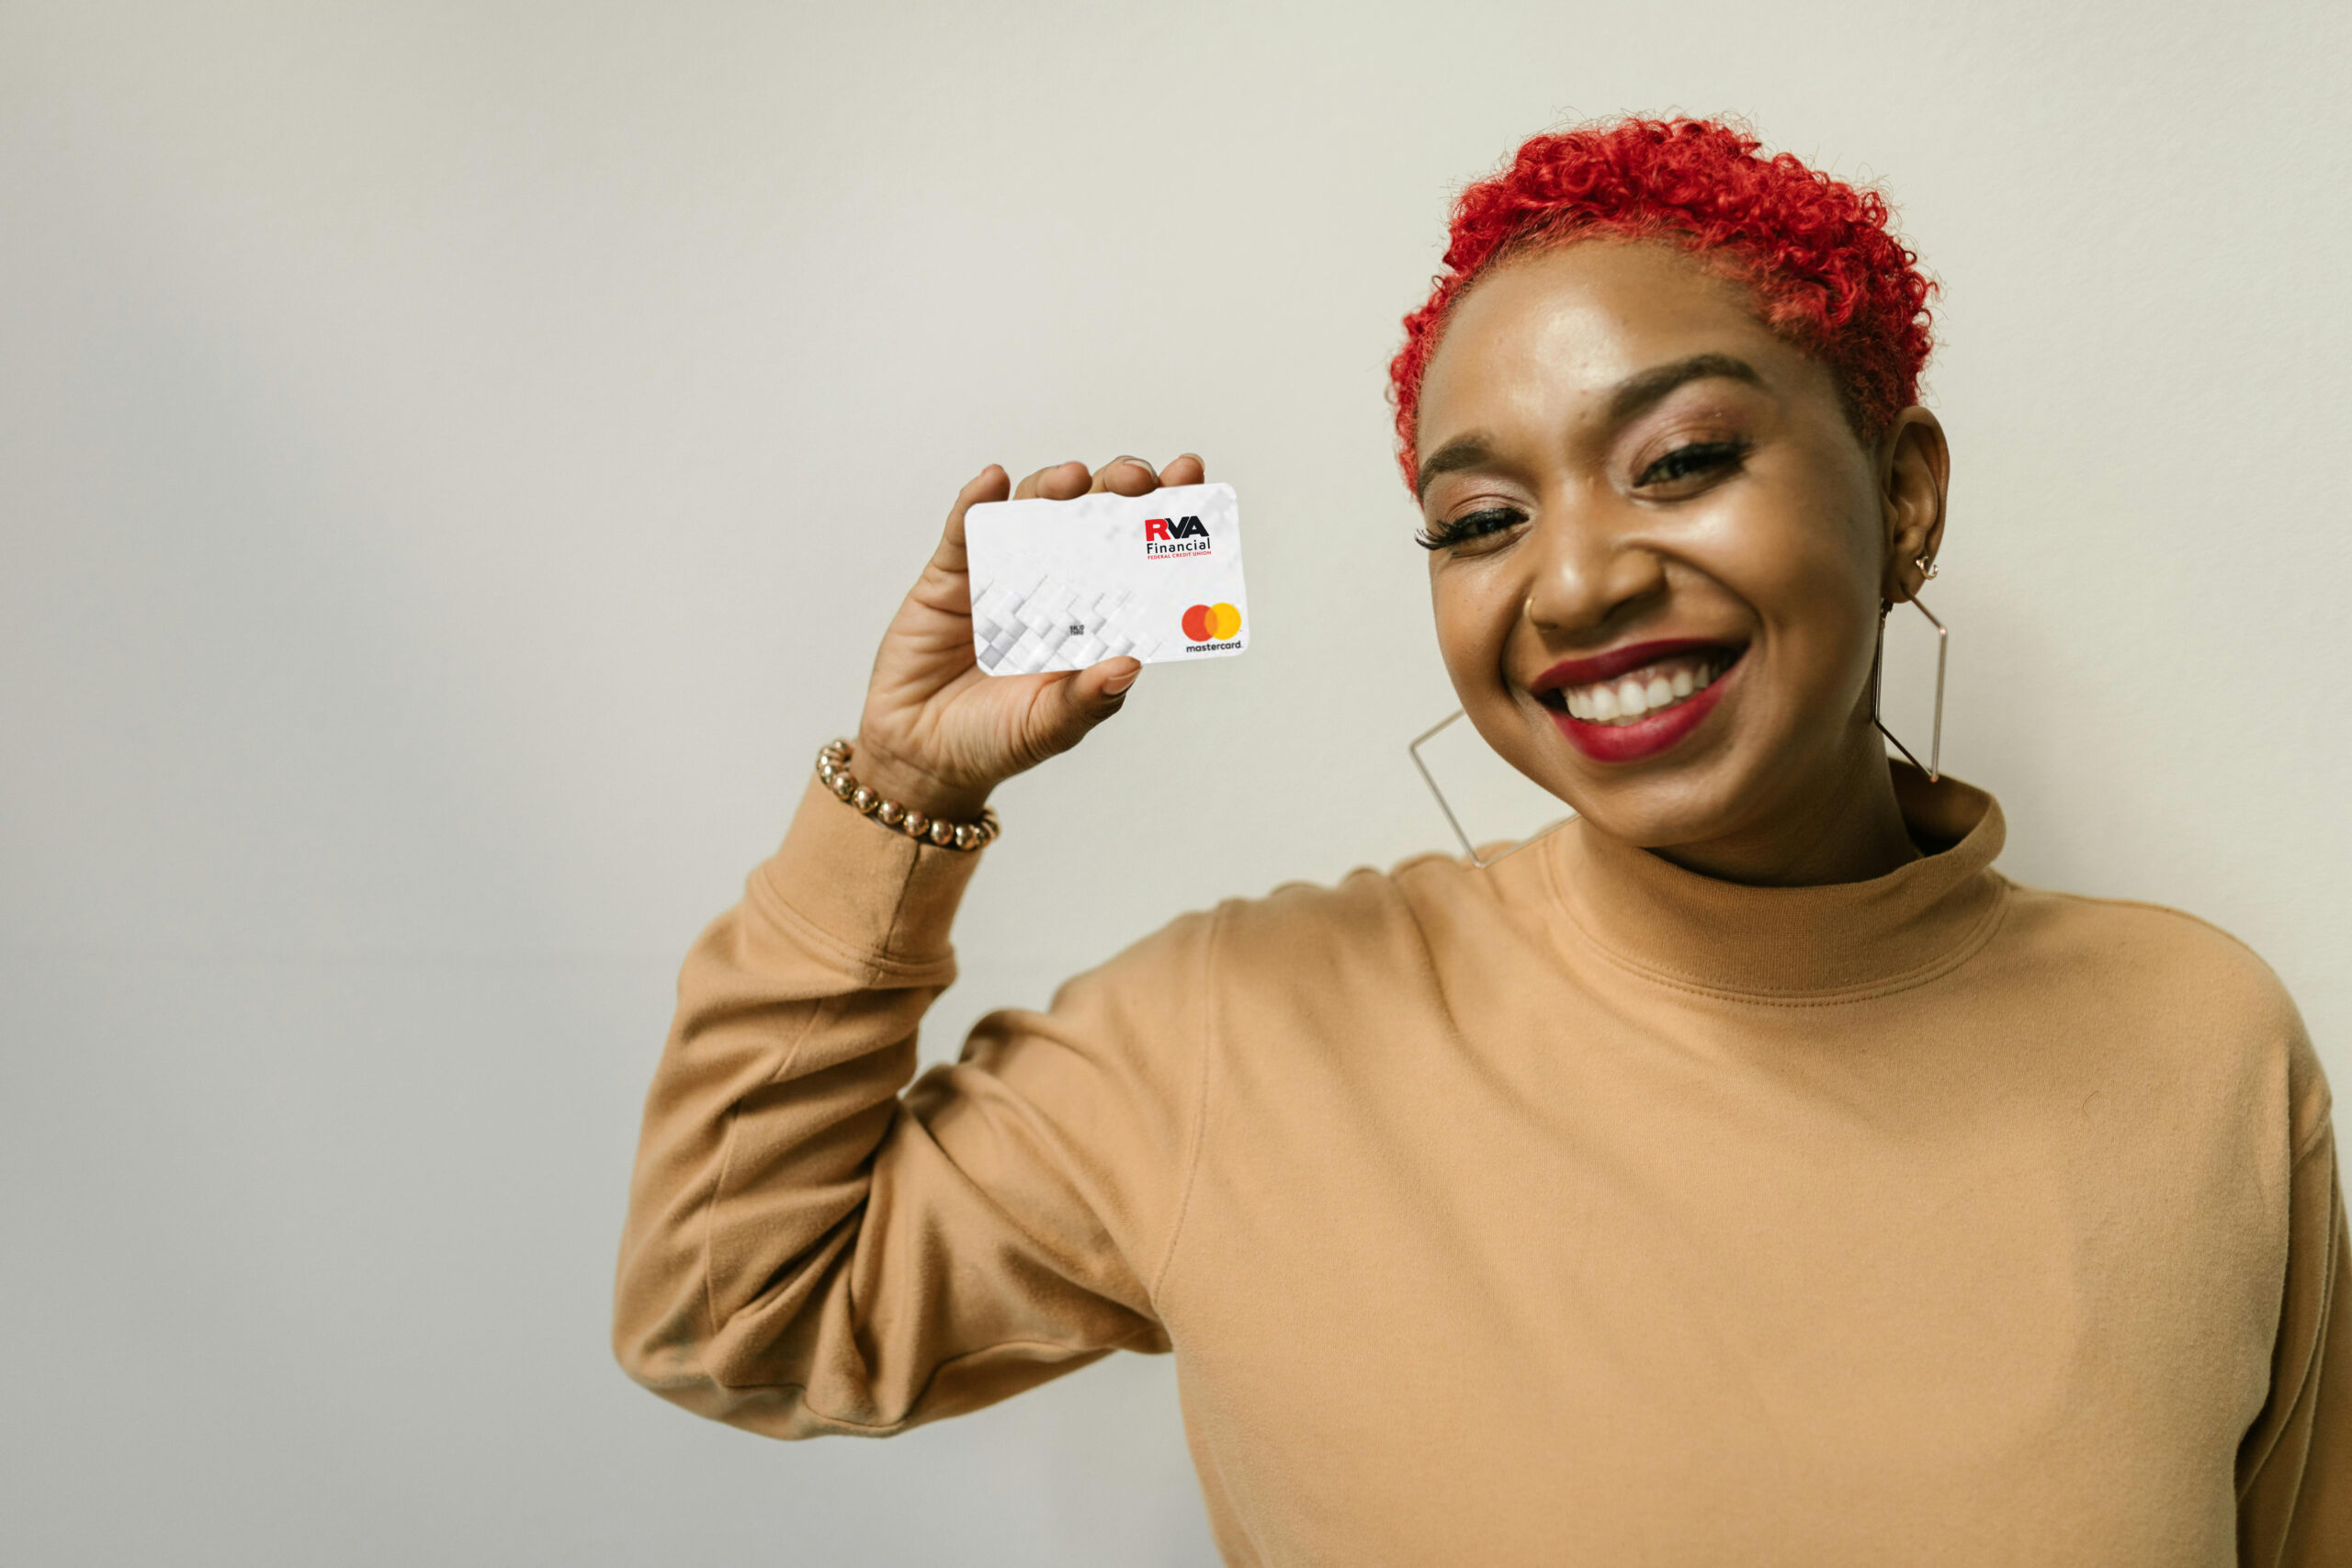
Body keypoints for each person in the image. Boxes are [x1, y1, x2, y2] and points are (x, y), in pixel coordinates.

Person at [612, 118, 2347, 1564]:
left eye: (1681, 460)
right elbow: (728, 1313)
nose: (1576, 579)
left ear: (1905, 497)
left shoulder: (2199, 1040)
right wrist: (901, 797)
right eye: (1482, 519)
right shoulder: (1240, 1031)